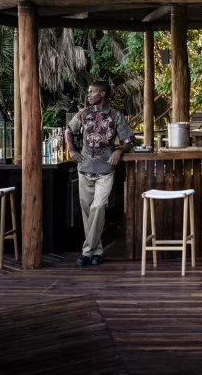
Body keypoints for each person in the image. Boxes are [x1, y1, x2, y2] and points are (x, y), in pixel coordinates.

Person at [66, 81, 134, 266]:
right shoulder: (84, 113)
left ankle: (87, 251)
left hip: (105, 171)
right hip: (84, 169)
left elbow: (129, 141)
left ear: (102, 94)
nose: (88, 95)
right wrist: (71, 149)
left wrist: (119, 151)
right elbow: (69, 130)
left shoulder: (116, 116)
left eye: (92, 92)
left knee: (98, 208)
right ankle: (97, 252)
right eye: (88, 92)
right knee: (87, 211)